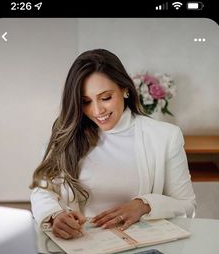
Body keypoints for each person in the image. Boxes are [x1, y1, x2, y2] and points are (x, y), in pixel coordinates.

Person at [30, 48, 196, 240]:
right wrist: (55, 215)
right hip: (82, 244)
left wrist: (145, 205)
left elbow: (187, 205)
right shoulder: (66, 135)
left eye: (106, 97)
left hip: (143, 247)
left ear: (124, 89)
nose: (97, 110)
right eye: (85, 102)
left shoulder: (165, 136)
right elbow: (42, 190)